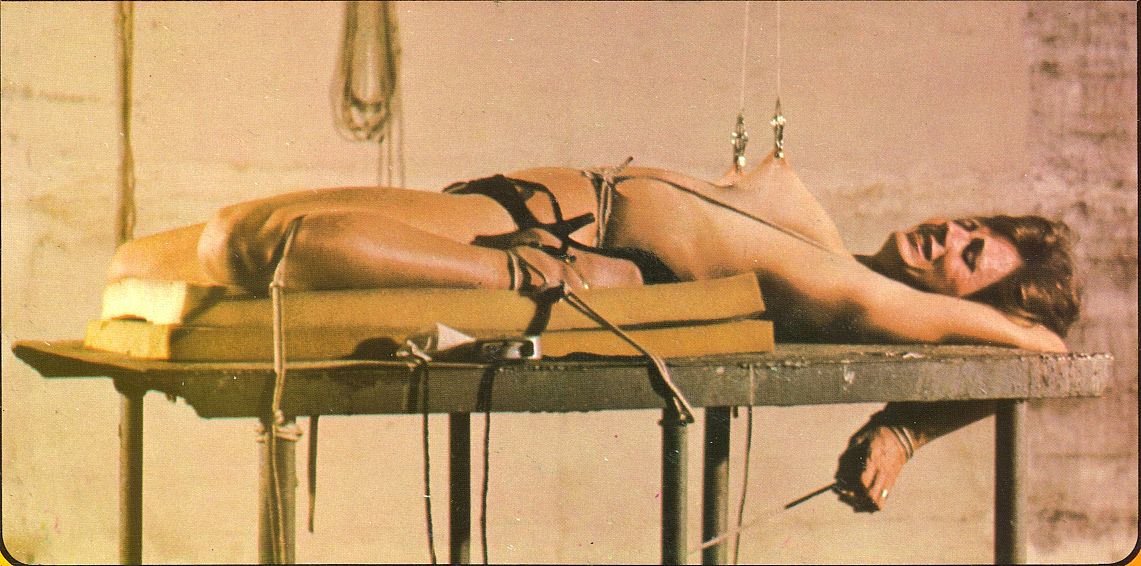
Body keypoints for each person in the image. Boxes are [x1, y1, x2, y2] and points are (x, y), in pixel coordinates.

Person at [106, 152, 1079, 511]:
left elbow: (1047, 354)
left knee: (248, 245)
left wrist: (900, 428)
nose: (949, 235)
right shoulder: (833, 247)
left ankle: (537, 275)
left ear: (972, 308)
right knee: (147, 260)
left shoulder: (853, 295)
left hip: (548, 243)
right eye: (968, 226)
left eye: (970, 258)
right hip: (520, 198)